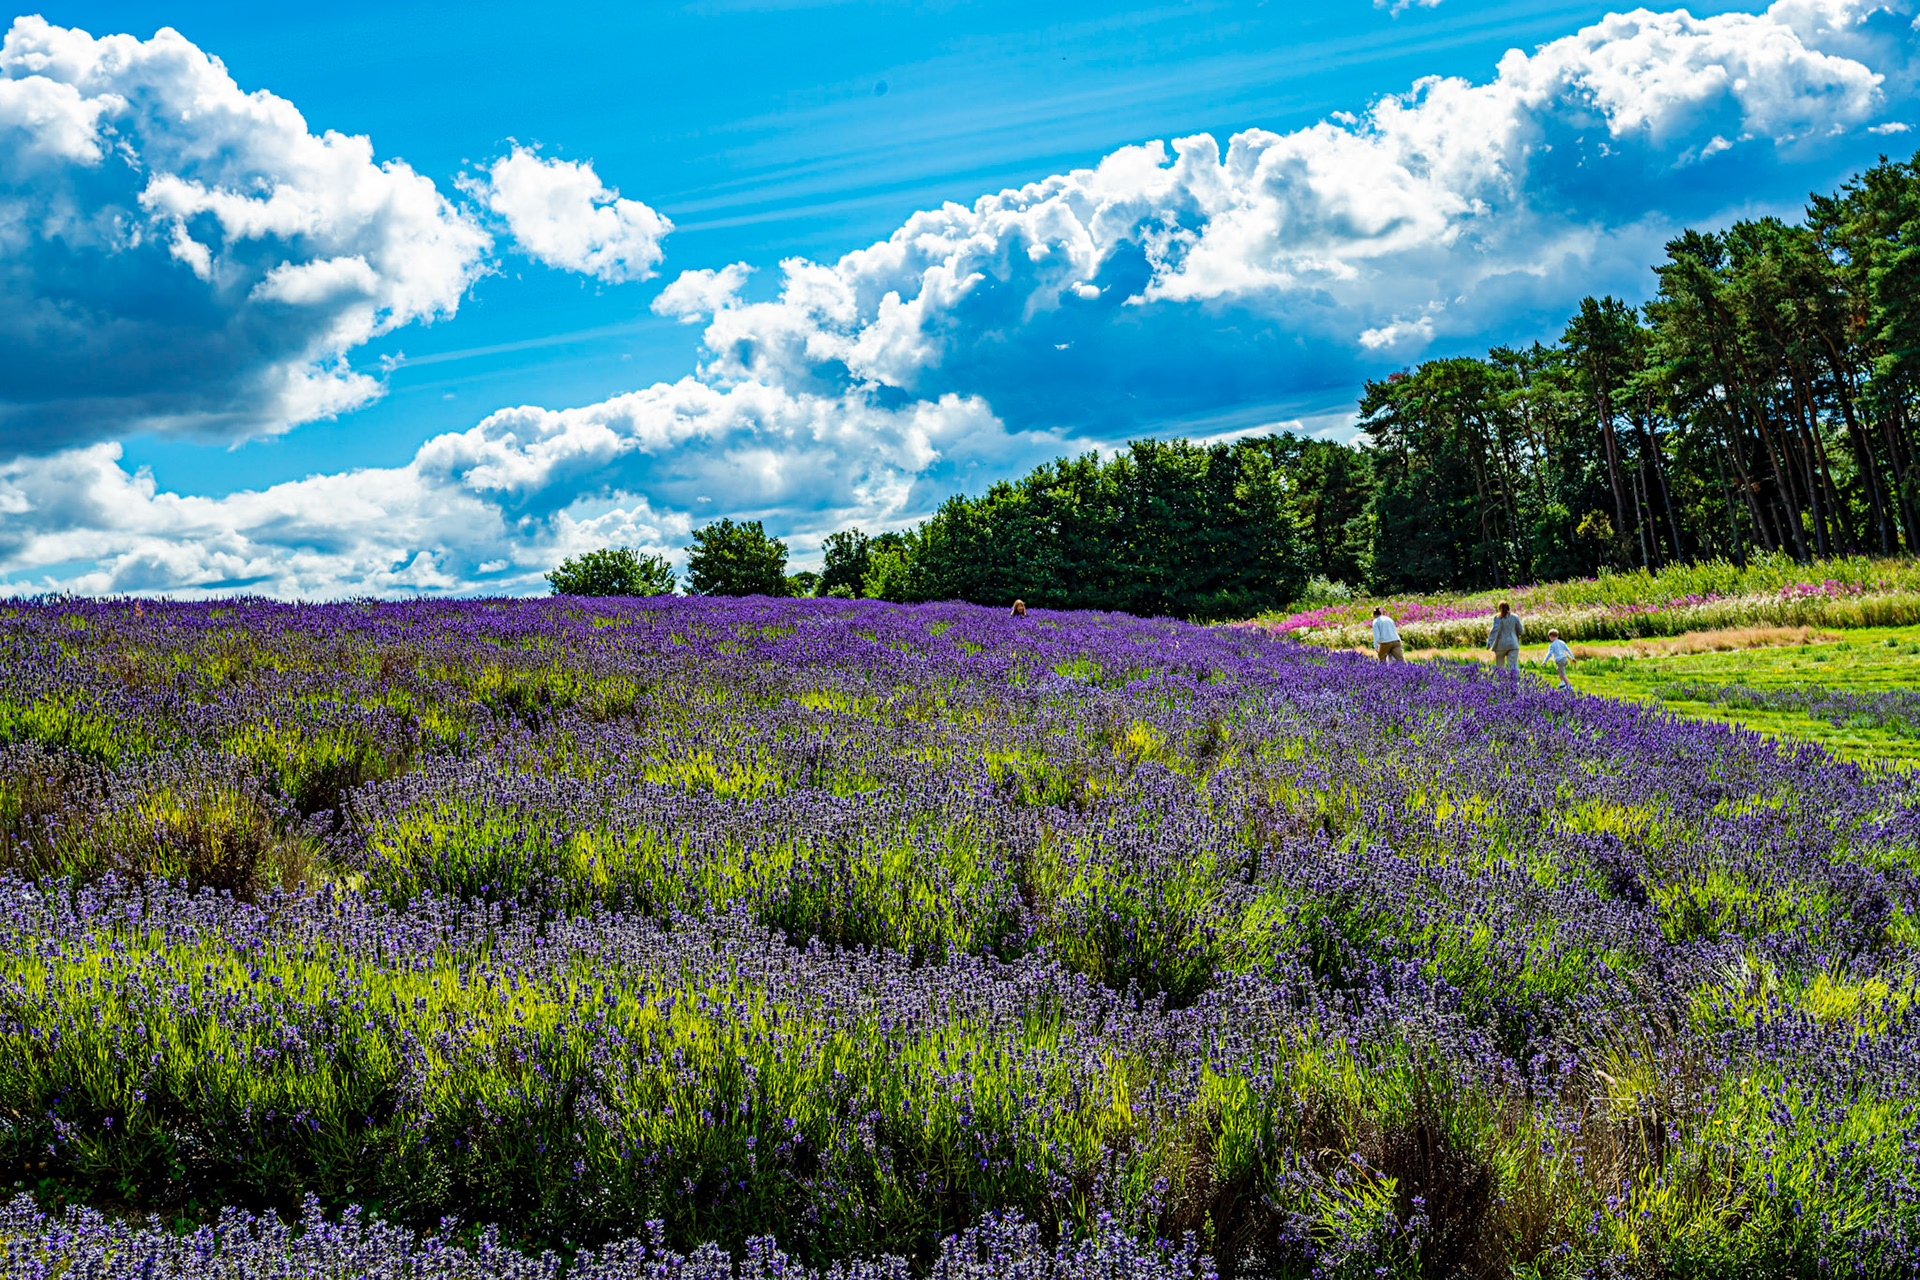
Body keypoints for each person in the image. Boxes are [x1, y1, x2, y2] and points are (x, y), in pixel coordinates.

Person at [1487, 600, 1522, 682]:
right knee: (1513, 664)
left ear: (1499, 608)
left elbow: (1494, 631)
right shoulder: (1515, 617)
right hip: (1513, 644)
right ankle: (1516, 681)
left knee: (1500, 665)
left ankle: (1502, 681)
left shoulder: (1497, 618)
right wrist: (1515, 635)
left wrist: (1489, 643)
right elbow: (1520, 630)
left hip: (1500, 645)